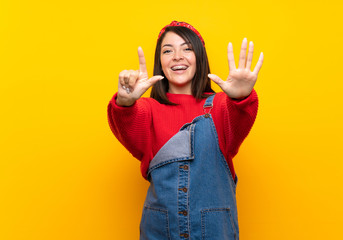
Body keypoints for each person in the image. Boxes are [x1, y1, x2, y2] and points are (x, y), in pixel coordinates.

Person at [107, 21, 263, 240]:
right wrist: (125, 102)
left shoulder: (220, 106)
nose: (177, 56)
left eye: (187, 48)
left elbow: (238, 120)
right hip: (160, 232)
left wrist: (240, 98)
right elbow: (128, 126)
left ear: (200, 58)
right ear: (159, 62)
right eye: (168, 50)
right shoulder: (147, 110)